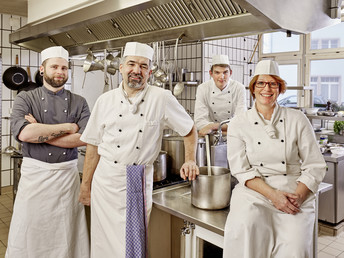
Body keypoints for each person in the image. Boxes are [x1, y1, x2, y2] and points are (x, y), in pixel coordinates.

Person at [78, 41, 199, 258]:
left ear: (150, 72)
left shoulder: (162, 98)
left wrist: (190, 160)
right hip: (105, 182)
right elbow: (93, 145)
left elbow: (190, 130)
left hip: (136, 178)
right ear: (122, 67)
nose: (137, 70)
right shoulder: (104, 101)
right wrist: (85, 186)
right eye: (132, 64)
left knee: (131, 246)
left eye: (143, 66)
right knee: (102, 244)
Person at [223, 60, 326, 258]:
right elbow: (241, 169)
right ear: (253, 88)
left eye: (273, 83)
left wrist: (298, 198)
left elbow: (315, 165)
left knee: (295, 247)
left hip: (293, 191)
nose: (267, 89)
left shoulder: (298, 119)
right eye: (261, 83)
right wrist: (273, 195)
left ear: (280, 88)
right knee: (244, 232)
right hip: (255, 192)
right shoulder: (238, 123)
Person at [6, 46, 90, 258]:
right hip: (35, 176)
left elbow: (83, 139)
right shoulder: (25, 98)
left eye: (64, 67)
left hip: (66, 177)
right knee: (29, 230)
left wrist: (40, 130)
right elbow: (24, 135)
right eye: (54, 67)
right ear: (43, 69)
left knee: (66, 231)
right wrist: (69, 127)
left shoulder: (79, 102)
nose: (59, 71)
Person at [194, 54, 246, 136]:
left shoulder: (239, 88)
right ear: (211, 73)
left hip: (233, 136)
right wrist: (225, 129)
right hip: (212, 137)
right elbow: (199, 122)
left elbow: (240, 121)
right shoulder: (203, 88)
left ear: (230, 73)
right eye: (217, 72)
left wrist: (212, 127)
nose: (221, 77)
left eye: (225, 72)